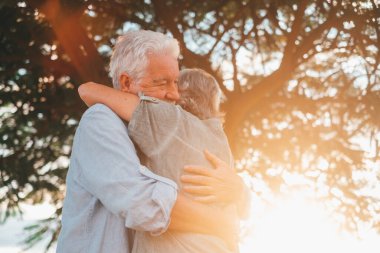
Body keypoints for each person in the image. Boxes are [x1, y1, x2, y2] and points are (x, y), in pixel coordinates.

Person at [56, 30, 248, 253]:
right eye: (162, 83)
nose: (175, 94)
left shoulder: (165, 128)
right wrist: (220, 224)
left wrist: (238, 189)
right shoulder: (100, 120)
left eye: (176, 82)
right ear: (126, 82)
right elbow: (142, 204)